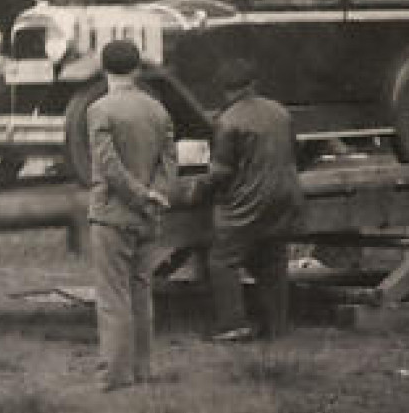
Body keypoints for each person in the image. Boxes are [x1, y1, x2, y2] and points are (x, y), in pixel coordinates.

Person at [185, 57, 305, 343]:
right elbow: (294, 150)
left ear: (224, 89)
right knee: (273, 259)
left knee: (223, 259)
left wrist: (197, 189)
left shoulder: (228, 121)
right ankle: (276, 326)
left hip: (247, 202)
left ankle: (232, 325)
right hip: (286, 196)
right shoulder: (280, 112)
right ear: (254, 84)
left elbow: (222, 172)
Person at [85, 39, 175, 391]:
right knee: (141, 292)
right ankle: (143, 371)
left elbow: (109, 167)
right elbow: (170, 162)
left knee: (112, 297)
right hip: (148, 215)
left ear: (104, 69)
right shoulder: (158, 110)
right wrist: (156, 196)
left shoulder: (99, 110)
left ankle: (115, 375)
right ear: (137, 69)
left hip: (112, 215)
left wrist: (140, 196)